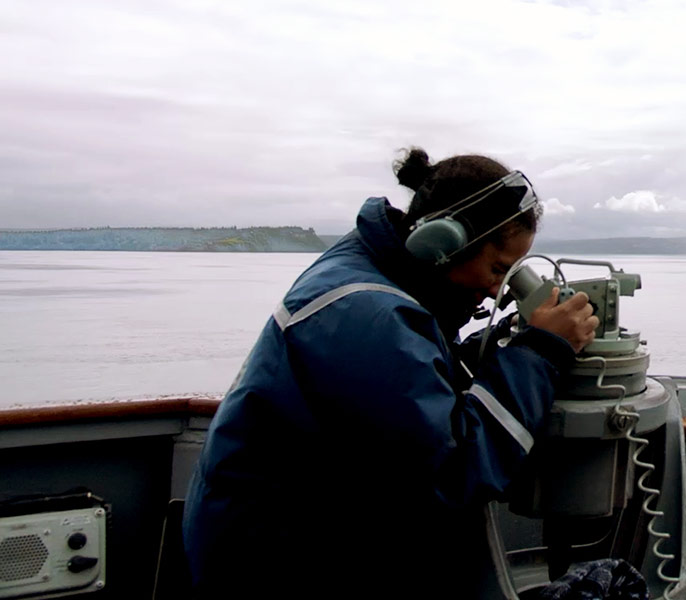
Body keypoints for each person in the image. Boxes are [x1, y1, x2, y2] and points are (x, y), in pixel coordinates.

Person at [182, 148, 599, 598]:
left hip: (298, 533)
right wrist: (539, 352)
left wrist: (504, 344)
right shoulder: (366, 314)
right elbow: (452, 472)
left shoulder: (378, 276)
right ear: (443, 242)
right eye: (499, 268)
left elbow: (416, 380)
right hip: (276, 563)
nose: (499, 289)